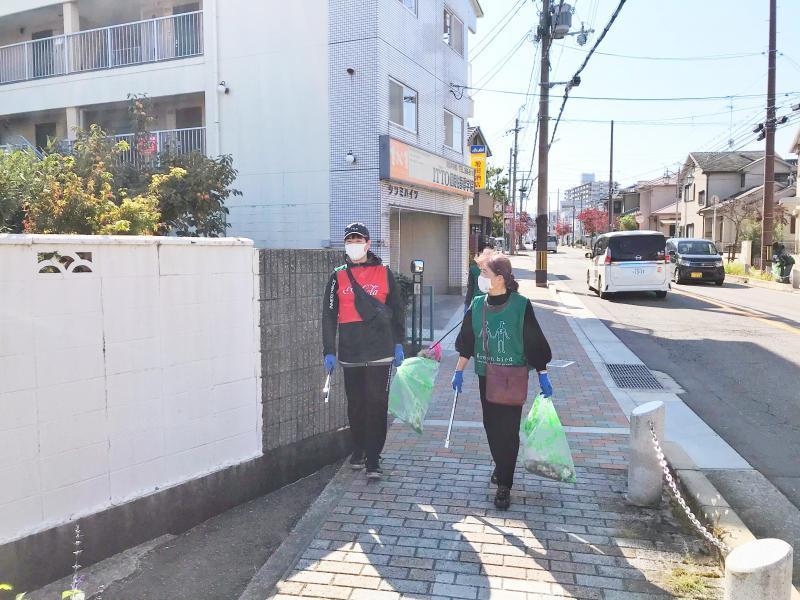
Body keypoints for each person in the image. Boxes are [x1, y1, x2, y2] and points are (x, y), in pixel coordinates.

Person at [452, 252, 553, 509]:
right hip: (487, 376)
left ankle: (504, 484)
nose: (481, 279)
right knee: (491, 427)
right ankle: (502, 465)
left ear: (499, 279)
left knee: (508, 431)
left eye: (484, 274)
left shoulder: (521, 305)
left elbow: (535, 342)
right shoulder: (477, 305)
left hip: (512, 377)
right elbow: (467, 341)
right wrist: (459, 370)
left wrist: (542, 374)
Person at [322, 223, 405, 479]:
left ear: (368, 243)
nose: (354, 244)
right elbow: (329, 314)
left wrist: (399, 342)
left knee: (377, 405)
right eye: (350, 240)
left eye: (358, 240)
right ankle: (357, 449)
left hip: (380, 350)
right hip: (351, 352)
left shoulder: (384, 272)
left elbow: (397, 310)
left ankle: (373, 458)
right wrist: (329, 350)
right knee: (356, 404)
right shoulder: (338, 276)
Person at [464, 237, 492, 313]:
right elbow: (470, 288)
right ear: (479, 253)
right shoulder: (473, 269)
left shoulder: (495, 269)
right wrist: (467, 304)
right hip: (477, 304)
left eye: (490, 253)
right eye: (485, 253)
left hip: (493, 305)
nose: (488, 256)